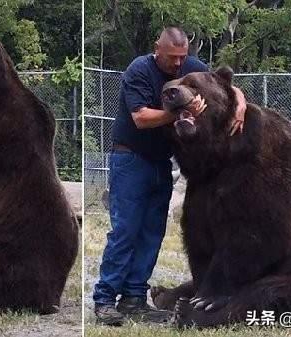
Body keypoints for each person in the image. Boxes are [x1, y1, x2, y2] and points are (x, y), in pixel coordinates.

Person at [93, 27, 247, 326]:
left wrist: (239, 104)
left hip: (161, 162)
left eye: (182, 58)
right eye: (172, 58)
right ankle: (104, 300)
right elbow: (141, 118)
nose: (178, 65)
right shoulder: (139, 70)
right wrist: (181, 111)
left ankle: (134, 299)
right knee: (125, 231)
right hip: (131, 158)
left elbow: (224, 84)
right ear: (157, 49)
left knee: (152, 232)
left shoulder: (189, 66)